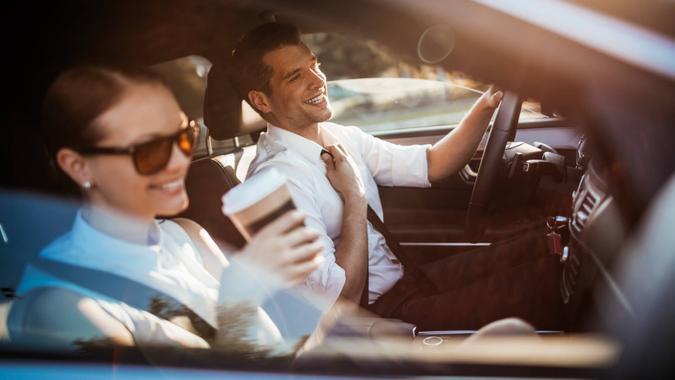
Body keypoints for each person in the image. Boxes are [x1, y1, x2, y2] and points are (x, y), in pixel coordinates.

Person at [230, 23, 561, 330]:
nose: (318, 80)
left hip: (407, 280)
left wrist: (488, 104)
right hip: (381, 317)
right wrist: (355, 197)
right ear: (261, 100)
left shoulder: (337, 136)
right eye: (295, 76)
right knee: (543, 287)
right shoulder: (277, 181)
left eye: (315, 65)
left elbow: (432, 164)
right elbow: (339, 302)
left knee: (545, 251)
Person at [8, 65, 325, 352]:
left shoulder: (187, 234)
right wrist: (237, 300)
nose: (178, 162)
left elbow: (269, 353)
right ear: (79, 167)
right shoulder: (60, 306)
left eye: (183, 135)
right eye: (150, 149)